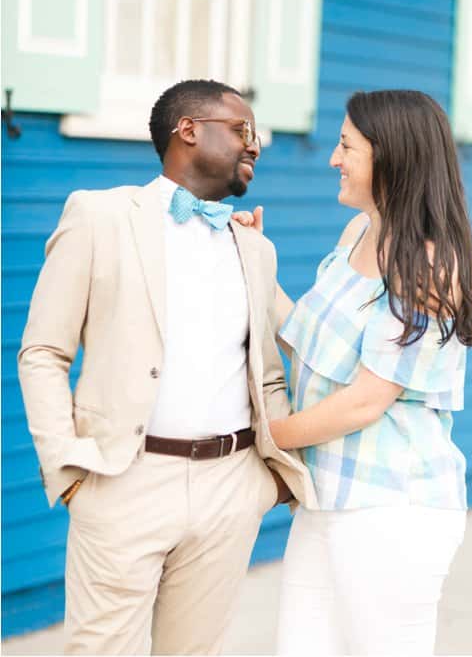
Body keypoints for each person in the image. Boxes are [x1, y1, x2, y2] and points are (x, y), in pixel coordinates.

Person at [17, 79, 316, 655]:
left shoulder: (255, 245)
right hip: (123, 482)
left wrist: (269, 478)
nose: (255, 146)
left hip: (230, 488)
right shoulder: (98, 216)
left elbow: (275, 363)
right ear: (189, 131)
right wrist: (71, 470)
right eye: (241, 131)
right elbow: (44, 353)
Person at [234, 89, 472, 655]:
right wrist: (254, 257)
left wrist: (263, 440)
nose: (334, 159)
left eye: (347, 145)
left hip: (391, 509)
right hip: (326, 499)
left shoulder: (427, 266)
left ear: (390, 156)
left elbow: (365, 400)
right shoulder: (358, 235)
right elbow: (307, 339)